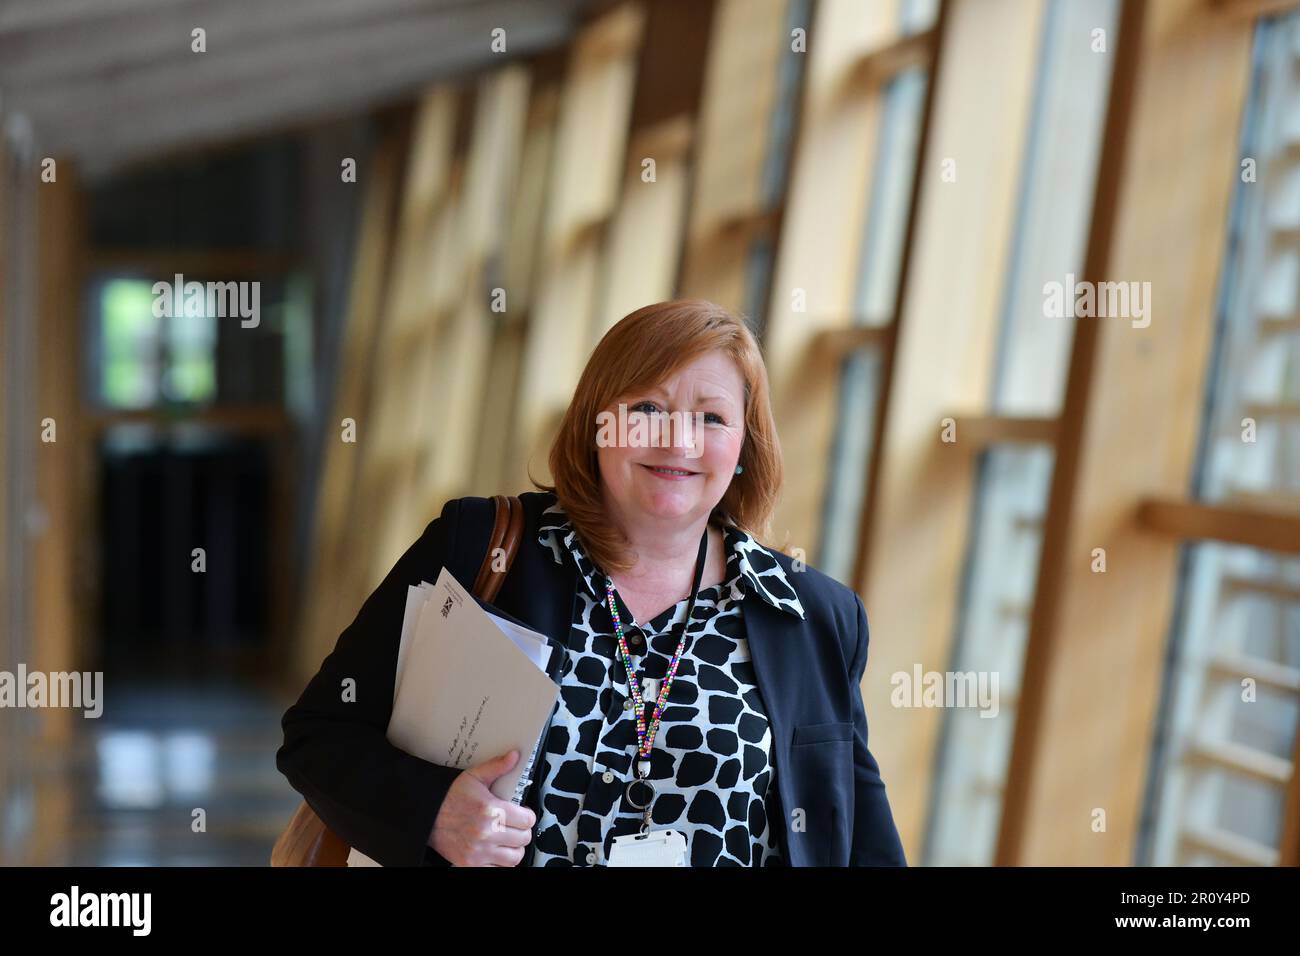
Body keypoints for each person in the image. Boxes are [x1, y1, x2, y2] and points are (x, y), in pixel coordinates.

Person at [276, 298, 906, 867]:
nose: (678, 440)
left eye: (711, 418)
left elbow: (863, 846)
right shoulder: (484, 550)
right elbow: (320, 735)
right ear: (595, 424)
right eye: (647, 409)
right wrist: (433, 812)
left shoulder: (810, 615)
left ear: (744, 445)